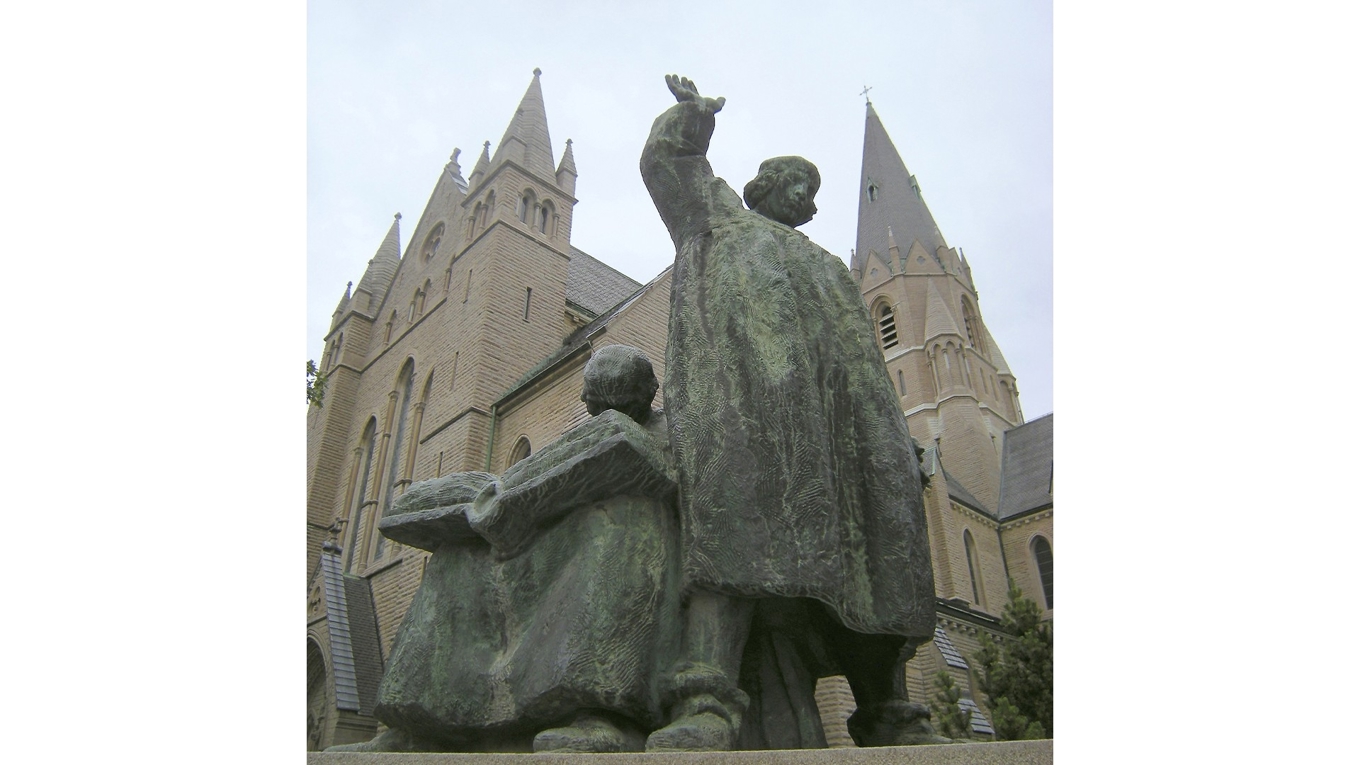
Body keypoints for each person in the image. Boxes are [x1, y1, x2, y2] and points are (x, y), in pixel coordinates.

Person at [640, 75, 941, 750]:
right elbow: (669, 167)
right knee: (732, 542)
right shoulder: (717, 218)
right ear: (763, 188)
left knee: (879, 556)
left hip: (845, 437)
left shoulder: (831, 266)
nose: (808, 197)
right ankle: (706, 701)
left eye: (814, 189)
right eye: (797, 182)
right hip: (747, 420)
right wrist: (691, 120)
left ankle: (890, 708)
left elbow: (866, 364)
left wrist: (897, 440)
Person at [329, 345, 683, 754]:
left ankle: (601, 712)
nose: (593, 408)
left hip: (612, 538)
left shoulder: (670, 429)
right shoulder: (593, 430)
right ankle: (417, 724)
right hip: (547, 539)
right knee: (458, 557)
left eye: (604, 402)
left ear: (650, 391)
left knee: (625, 520)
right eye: (594, 401)